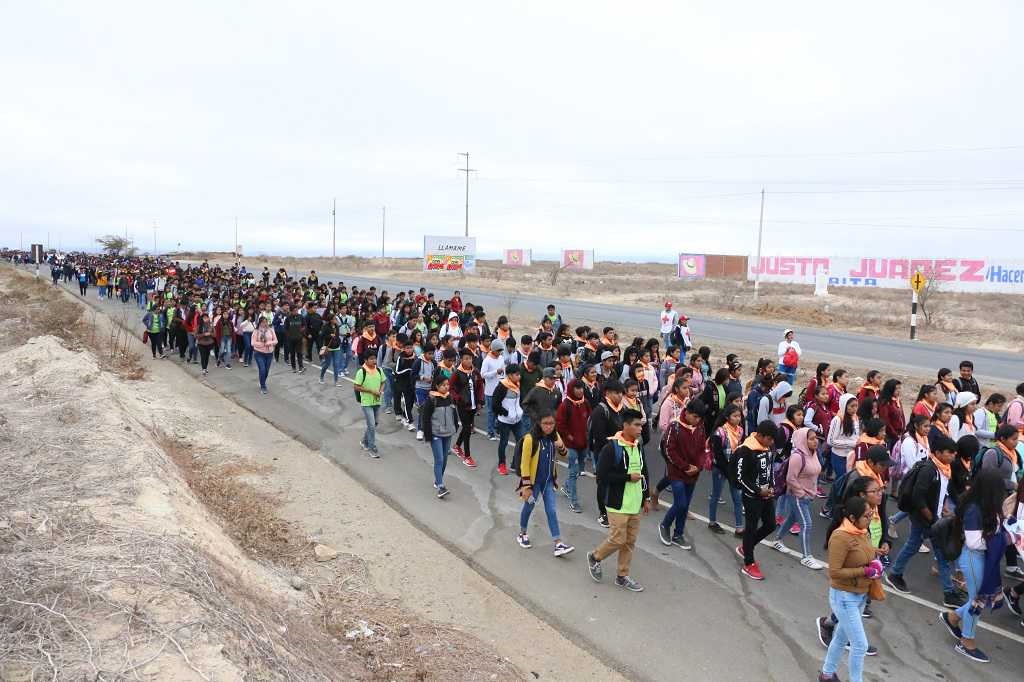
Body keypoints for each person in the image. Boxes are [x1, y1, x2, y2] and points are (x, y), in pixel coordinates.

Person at [885, 435, 966, 607]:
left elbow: (941, 493)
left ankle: (895, 573)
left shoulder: (944, 469)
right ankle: (949, 593)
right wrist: (932, 518)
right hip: (925, 519)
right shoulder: (929, 470)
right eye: (949, 452)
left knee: (914, 545)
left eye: (954, 453)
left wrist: (944, 510)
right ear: (937, 452)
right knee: (941, 554)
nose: (953, 456)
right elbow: (918, 497)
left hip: (932, 518)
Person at [940, 469, 1010, 663]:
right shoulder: (974, 509)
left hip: (983, 558)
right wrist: (1003, 540)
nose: (1004, 493)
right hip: (973, 557)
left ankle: (952, 617)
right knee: (977, 601)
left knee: (979, 598)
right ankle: (966, 641)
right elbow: (973, 542)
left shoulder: (987, 506)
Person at [586, 409, 653, 592]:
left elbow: (644, 471)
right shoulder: (611, 448)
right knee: (617, 539)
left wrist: (646, 497)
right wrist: (626, 477)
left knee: (630, 541)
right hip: (617, 503)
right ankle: (595, 557)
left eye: (641, 425)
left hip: (635, 503)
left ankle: (622, 576)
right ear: (625, 425)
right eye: (636, 425)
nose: (640, 429)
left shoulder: (638, 445)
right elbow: (601, 476)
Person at [817, 496, 882, 682]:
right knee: (860, 645)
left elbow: (865, 553)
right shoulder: (840, 537)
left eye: (870, 515)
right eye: (866, 516)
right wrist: (865, 570)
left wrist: (875, 561)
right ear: (853, 518)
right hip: (844, 597)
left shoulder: (862, 531)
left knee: (840, 638)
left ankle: (827, 674)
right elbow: (835, 572)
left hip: (860, 595)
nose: (870, 520)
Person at [516, 412, 575, 557]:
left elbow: (565, 455)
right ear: (539, 424)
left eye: (551, 424)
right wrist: (526, 486)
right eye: (545, 424)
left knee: (552, 511)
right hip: (533, 483)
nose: (549, 427)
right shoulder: (530, 439)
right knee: (529, 507)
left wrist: (560, 446)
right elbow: (524, 464)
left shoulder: (554, 437)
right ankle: (522, 533)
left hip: (548, 481)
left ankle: (558, 543)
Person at [772, 427, 825, 569]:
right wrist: (801, 493)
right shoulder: (797, 456)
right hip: (797, 496)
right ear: (803, 440)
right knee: (806, 524)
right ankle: (806, 556)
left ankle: (777, 540)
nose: (815, 442)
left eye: (816, 438)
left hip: (808, 496)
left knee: (791, 519)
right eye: (811, 439)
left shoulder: (813, 453)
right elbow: (791, 479)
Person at [658, 400, 709, 549]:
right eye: (694, 416)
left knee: (685, 505)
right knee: (680, 503)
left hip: (693, 474)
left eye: (699, 418)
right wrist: (685, 466)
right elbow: (668, 450)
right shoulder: (675, 427)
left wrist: (698, 467)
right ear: (686, 412)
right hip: (677, 472)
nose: (697, 420)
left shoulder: (699, 426)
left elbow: (702, 450)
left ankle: (678, 534)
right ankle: (664, 525)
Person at [736, 420, 779, 580]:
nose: (771, 442)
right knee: (751, 527)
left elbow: (770, 469)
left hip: (766, 495)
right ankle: (748, 563)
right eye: (769, 439)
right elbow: (740, 478)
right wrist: (757, 490)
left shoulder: (767, 448)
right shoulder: (746, 450)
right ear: (760, 435)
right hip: (752, 497)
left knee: (770, 524)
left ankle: (747, 547)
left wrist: (772, 486)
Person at [589, 380, 626, 528]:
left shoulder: (621, 410)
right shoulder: (600, 410)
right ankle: (602, 512)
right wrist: (614, 443)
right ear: (607, 393)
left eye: (621, 393)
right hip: (604, 452)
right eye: (617, 393)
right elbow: (599, 436)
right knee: (603, 482)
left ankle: (613, 507)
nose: (620, 396)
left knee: (616, 480)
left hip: (620, 450)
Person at [420, 374, 460, 498]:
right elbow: (425, 419)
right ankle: (441, 486)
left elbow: (454, 413)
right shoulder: (432, 400)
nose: (446, 387)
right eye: (443, 385)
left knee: (445, 460)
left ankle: (438, 481)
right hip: (436, 433)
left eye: (447, 384)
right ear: (437, 386)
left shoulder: (450, 398)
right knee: (439, 459)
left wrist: (455, 427)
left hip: (448, 433)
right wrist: (428, 435)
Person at [708, 404, 745, 536]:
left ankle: (739, 528)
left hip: (734, 469)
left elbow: (742, 449)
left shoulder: (740, 431)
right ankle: (712, 522)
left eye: (739, 416)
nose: (738, 419)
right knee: (716, 495)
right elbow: (718, 455)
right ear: (727, 417)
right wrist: (728, 471)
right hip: (720, 469)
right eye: (735, 416)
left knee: (737, 498)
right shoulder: (720, 432)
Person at [556, 379, 592, 514]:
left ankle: (566, 487)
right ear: (571, 389)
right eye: (577, 388)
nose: (580, 390)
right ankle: (574, 501)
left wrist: (588, 436)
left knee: (577, 471)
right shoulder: (565, 405)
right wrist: (570, 437)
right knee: (573, 471)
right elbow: (560, 424)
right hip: (570, 446)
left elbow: (590, 419)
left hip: (583, 444)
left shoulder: (585, 403)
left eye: (581, 388)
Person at [449, 348, 482, 468]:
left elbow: (479, 387)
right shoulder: (457, 373)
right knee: (467, 429)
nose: (469, 361)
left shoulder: (475, 372)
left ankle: (457, 446)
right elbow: (451, 388)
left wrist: (480, 401)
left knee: (467, 427)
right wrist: (458, 398)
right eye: (466, 359)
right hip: (463, 405)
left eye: (470, 358)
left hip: (473, 405)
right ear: (461, 360)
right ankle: (467, 457)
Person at [492, 363, 525, 476]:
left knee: (521, 441)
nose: (519, 376)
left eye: (519, 374)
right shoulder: (502, 386)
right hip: (505, 421)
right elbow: (495, 405)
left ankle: (515, 464)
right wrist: (507, 413)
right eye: (516, 374)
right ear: (509, 375)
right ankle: (501, 464)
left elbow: (518, 401)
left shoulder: (518, 384)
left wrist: (520, 410)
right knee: (504, 442)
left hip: (517, 420)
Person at [353, 354, 385, 458]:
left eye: (374, 358)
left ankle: (364, 441)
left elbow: (383, 381)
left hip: (377, 401)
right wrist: (371, 391)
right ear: (365, 360)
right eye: (371, 359)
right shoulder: (361, 372)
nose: (374, 360)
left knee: (374, 423)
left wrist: (380, 390)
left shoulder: (379, 370)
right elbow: (356, 387)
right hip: (366, 402)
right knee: (371, 424)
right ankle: (372, 448)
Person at [826, 394, 860, 478]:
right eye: (852, 406)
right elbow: (830, 441)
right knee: (842, 480)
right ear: (844, 405)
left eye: (856, 406)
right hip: (840, 456)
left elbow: (855, 435)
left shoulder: (855, 417)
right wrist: (852, 444)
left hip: (852, 455)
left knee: (849, 480)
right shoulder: (837, 420)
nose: (854, 409)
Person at [481, 339, 506, 441]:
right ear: (493, 349)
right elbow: (483, 374)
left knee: (498, 411)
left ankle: (497, 429)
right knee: (491, 412)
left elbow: (503, 372)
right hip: (490, 391)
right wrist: (495, 372)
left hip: (500, 389)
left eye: (501, 350)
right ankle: (490, 432)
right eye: (498, 350)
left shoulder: (501, 358)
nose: (500, 352)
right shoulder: (487, 360)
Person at [250, 316, 277, 394]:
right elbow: (253, 343)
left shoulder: (271, 330)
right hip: (259, 353)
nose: (265, 324)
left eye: (266, 322)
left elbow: (275, 340)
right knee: (262, 369)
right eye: (263, 322)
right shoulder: (256, 331)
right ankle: (263, 386)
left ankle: (262, 381)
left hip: (269, 353)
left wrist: (269, 343)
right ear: (260, 323)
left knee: (266, 371)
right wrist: (262, 344)